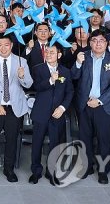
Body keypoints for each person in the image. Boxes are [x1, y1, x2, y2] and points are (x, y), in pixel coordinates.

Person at [0, 34, 33, 183]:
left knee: (12, 139)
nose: (3, 48)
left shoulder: (21, 61)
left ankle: (9, 169)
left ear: (11, 45)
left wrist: (22, 76)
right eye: (0, 45)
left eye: (6, 45)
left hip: (14, 107)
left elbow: (28, 84)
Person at [71, 28, 110, 184]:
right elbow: (73, 76)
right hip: (85, 104)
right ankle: (86, 167)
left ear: (106, 43)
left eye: (101, 41)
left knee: (104, 139)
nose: (98, 44)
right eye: (94, 41)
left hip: (104, 106)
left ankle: (103, 170)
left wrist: (99, 101)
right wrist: (77, 63)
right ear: (90, 43)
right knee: (85, 138)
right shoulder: (84, 56)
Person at [29, 43, 73, 184]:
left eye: (52, 52)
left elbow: (70, 92)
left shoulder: (66, 71)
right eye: (47, 52)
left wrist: (62, 108)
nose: (48, 54)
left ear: (59, 55)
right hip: (41, 112)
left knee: (55, 143)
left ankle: (52, 172)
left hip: (57, 113)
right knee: (37, 143)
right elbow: (37, 87)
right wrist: (50, 80)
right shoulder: (38, 69)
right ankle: (36, 171)